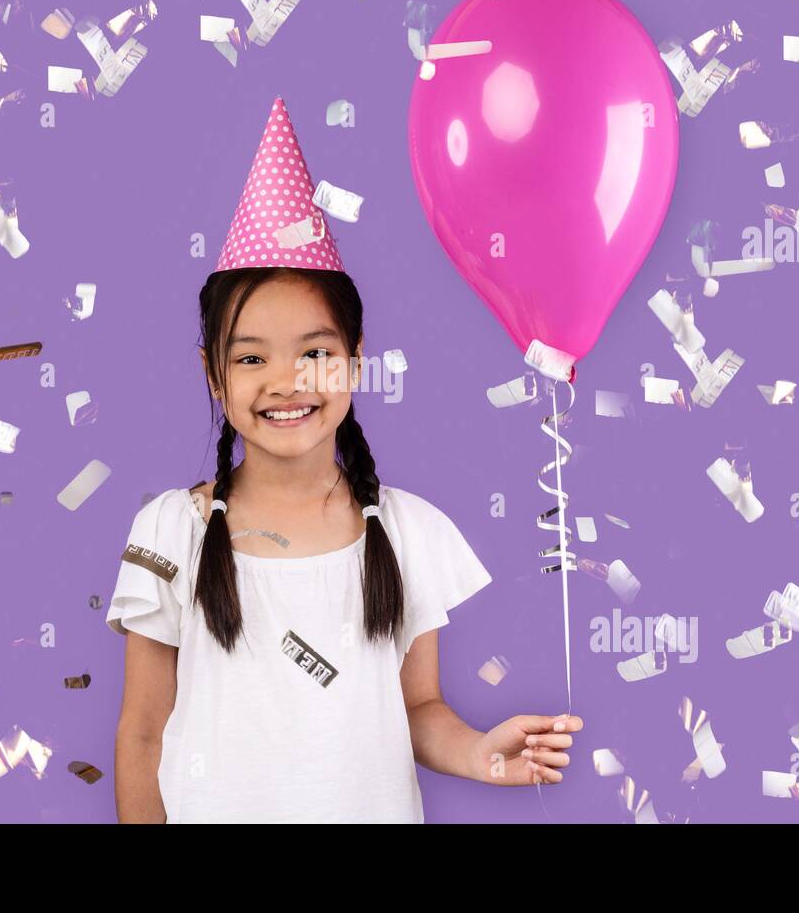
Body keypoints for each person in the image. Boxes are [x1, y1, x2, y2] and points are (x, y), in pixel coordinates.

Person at [109, 97, 582, 823]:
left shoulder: (404, 530)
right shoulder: (172, 530)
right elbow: (143, 732)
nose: (287, 380)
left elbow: (418, 707)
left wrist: (484, 753)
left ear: (355, 365)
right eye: (251, 357)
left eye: (316, 353)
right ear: (213, 375)